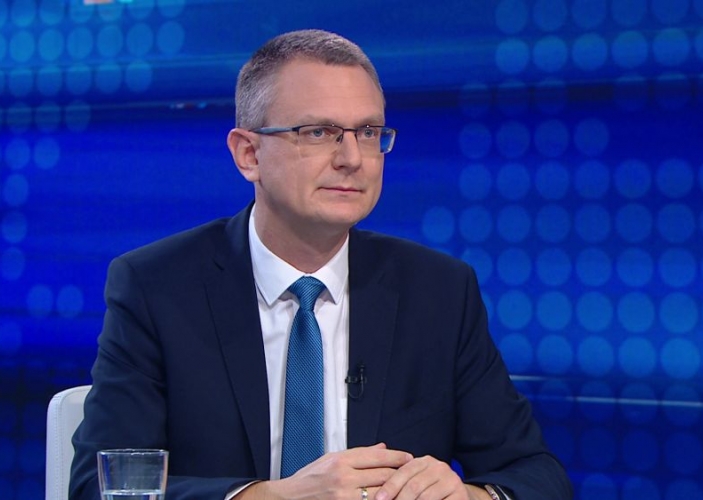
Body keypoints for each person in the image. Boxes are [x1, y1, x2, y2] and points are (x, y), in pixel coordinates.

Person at [69, 29, 573, 500]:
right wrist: (273, 497)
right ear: (249, 155)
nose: (352, 158)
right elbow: (100, 484)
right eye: (318, 132)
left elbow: (536, 473)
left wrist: (467, 496)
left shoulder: (439, 291)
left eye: (368, 132)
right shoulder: (156, 287)